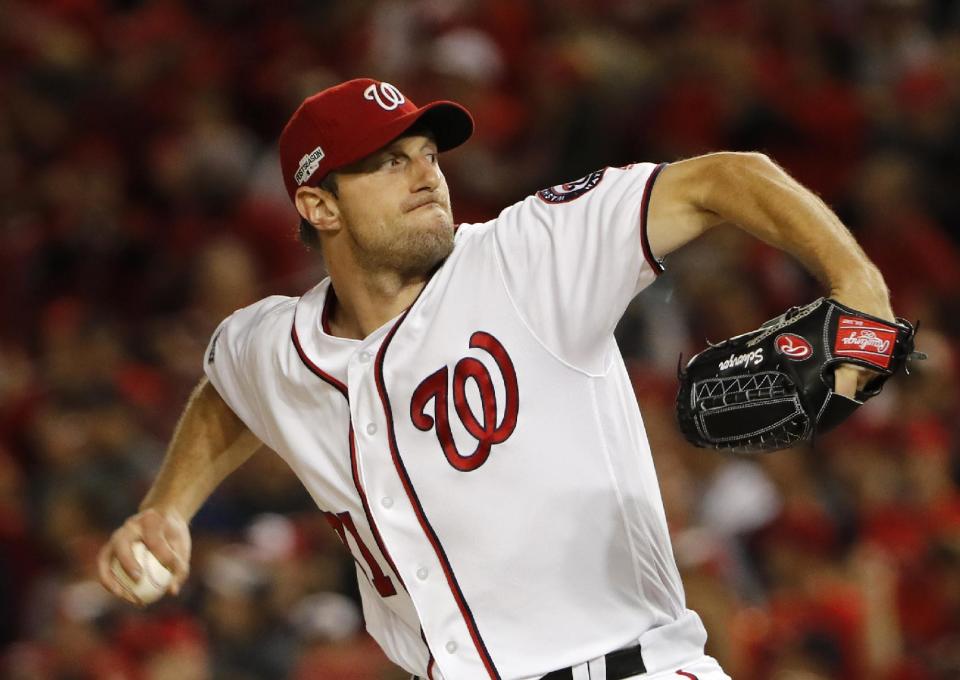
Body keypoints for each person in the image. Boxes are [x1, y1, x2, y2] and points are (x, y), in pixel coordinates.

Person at [97, 78, 894, 680]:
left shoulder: (528, 254)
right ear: (319, 204)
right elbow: (230, 392)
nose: (425, 176)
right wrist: (168, 506)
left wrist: (860, 292)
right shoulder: (276, 343)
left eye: (427, 155)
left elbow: (729, 177)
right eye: (388, 163)